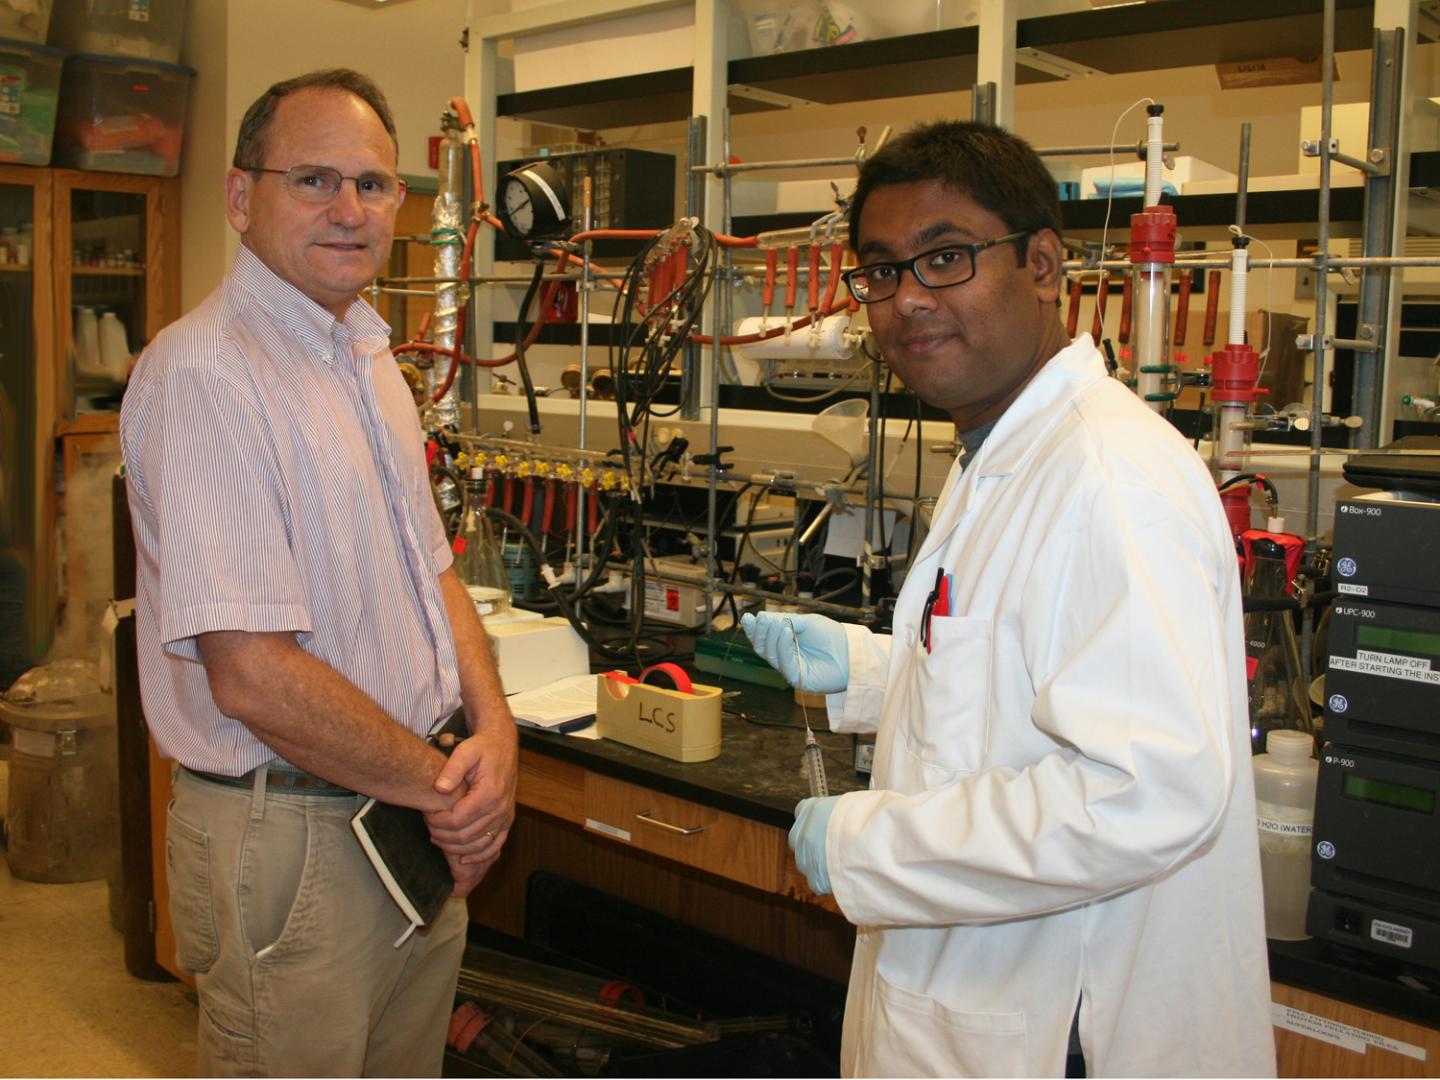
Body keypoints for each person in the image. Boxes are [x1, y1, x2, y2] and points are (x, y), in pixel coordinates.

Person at [743, 121, 1275, 1077]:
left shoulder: (1107, 476)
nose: (908, 298)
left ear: (1043, 265)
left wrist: (872, 844)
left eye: (946, 257)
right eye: (881, 270)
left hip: (1060, 1032)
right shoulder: (999, 448)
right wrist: (874, 672)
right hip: (985, 1003)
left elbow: (1145, 789)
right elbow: (1022, 677)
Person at [120, 69, 517, 1077]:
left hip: (407, 824)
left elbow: (433, 572)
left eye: (373, 184)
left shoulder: (368, 358)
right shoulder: (208, 374)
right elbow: (252, 673)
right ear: (240, 197)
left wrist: (496, 733)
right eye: (314, 180)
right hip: (294, 836)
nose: (350, 209)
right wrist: (448, 790)